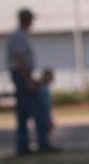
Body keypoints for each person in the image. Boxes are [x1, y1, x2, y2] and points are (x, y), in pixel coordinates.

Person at [6, 8, 58, 154]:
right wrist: (28, 79)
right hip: (22, 76)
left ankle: (23, 146)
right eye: (31, 19)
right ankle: (43, 143)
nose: (32, 22)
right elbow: (19, 57)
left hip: (22, 75)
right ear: (26, 19)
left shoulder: (20, 35)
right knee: (38, 110)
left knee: (22, 112)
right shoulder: (18, 36)